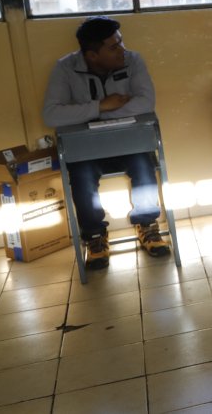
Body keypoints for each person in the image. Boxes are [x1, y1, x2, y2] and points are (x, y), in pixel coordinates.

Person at [42, 16, 169, 269]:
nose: (122, 50)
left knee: (144, 165)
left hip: (127, 141)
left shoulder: (133, 60)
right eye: (113, 47)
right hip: (87, 148)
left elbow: (146, 102)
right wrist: (100, 105)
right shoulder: (65, 68)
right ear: (92, 55)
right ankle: (95, 236)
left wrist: (97, 113)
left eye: (120, 43)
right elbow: (51, 115)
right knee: (81, 175)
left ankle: (147, 226)